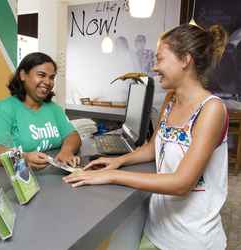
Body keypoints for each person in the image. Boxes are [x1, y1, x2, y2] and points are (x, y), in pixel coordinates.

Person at [64, 24, 229, 250]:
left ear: (184, 60)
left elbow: (182, 183)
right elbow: (153, 147)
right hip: (157, 231)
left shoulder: (212, 110)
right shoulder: (170, 101)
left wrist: (112, 176)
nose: (154, 66)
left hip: (192, 241)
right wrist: (118, 161)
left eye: (160, 59)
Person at [0, 52, 81, 169]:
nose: (48, 82)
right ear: (23, 75)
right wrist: (23, 158)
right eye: (41, 75)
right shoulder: (3, 108)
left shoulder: (54, 109)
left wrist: (67, 151)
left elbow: (73, 135)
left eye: (51, 77)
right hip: (20, 181)